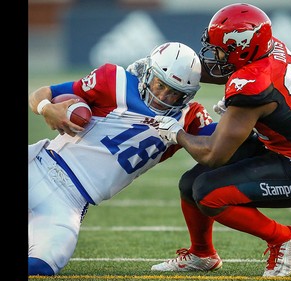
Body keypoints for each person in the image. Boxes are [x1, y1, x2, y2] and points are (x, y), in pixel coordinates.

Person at [151, 3, 291, 277]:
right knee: (190, 184)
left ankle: (282, 237)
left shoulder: (253, 85)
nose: (214, 54)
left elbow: (213, 155)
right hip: (283, 145)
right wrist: (169, 68)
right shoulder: (267, 46)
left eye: (219, 48)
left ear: (241, 49)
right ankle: (202, 254)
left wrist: (176, 133)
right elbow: (231, 71)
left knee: (209, 193)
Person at [28, 42, 216, 276]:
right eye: (160, 85)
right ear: (149, 73)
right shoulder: (114, 80)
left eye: (174, 93)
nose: (163, 97)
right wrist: (47, 107)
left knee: (43, 266)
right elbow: (41, 94)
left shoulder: (189, 117)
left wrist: (238, 108)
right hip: (38, 164)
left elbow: (219, 146)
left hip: (70, 202)